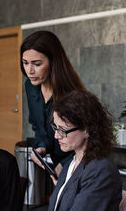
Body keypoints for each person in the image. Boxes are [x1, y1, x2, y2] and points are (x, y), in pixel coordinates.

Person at [0, 91, 122, 211]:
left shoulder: (101, 171)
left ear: (88, 130)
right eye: (55, 127)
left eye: (63, 130)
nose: (56, 135)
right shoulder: (72, 163)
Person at [21, 30, 86, 176]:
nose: (29, 70)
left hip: (75, 165)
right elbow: (38, 127)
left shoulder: (72, 94)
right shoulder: (30, 86)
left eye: (36, 64)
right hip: (53, 164)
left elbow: (86, 141)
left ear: (53, 62)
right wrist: (41, 147)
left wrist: (65, 165)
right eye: (25, 63)